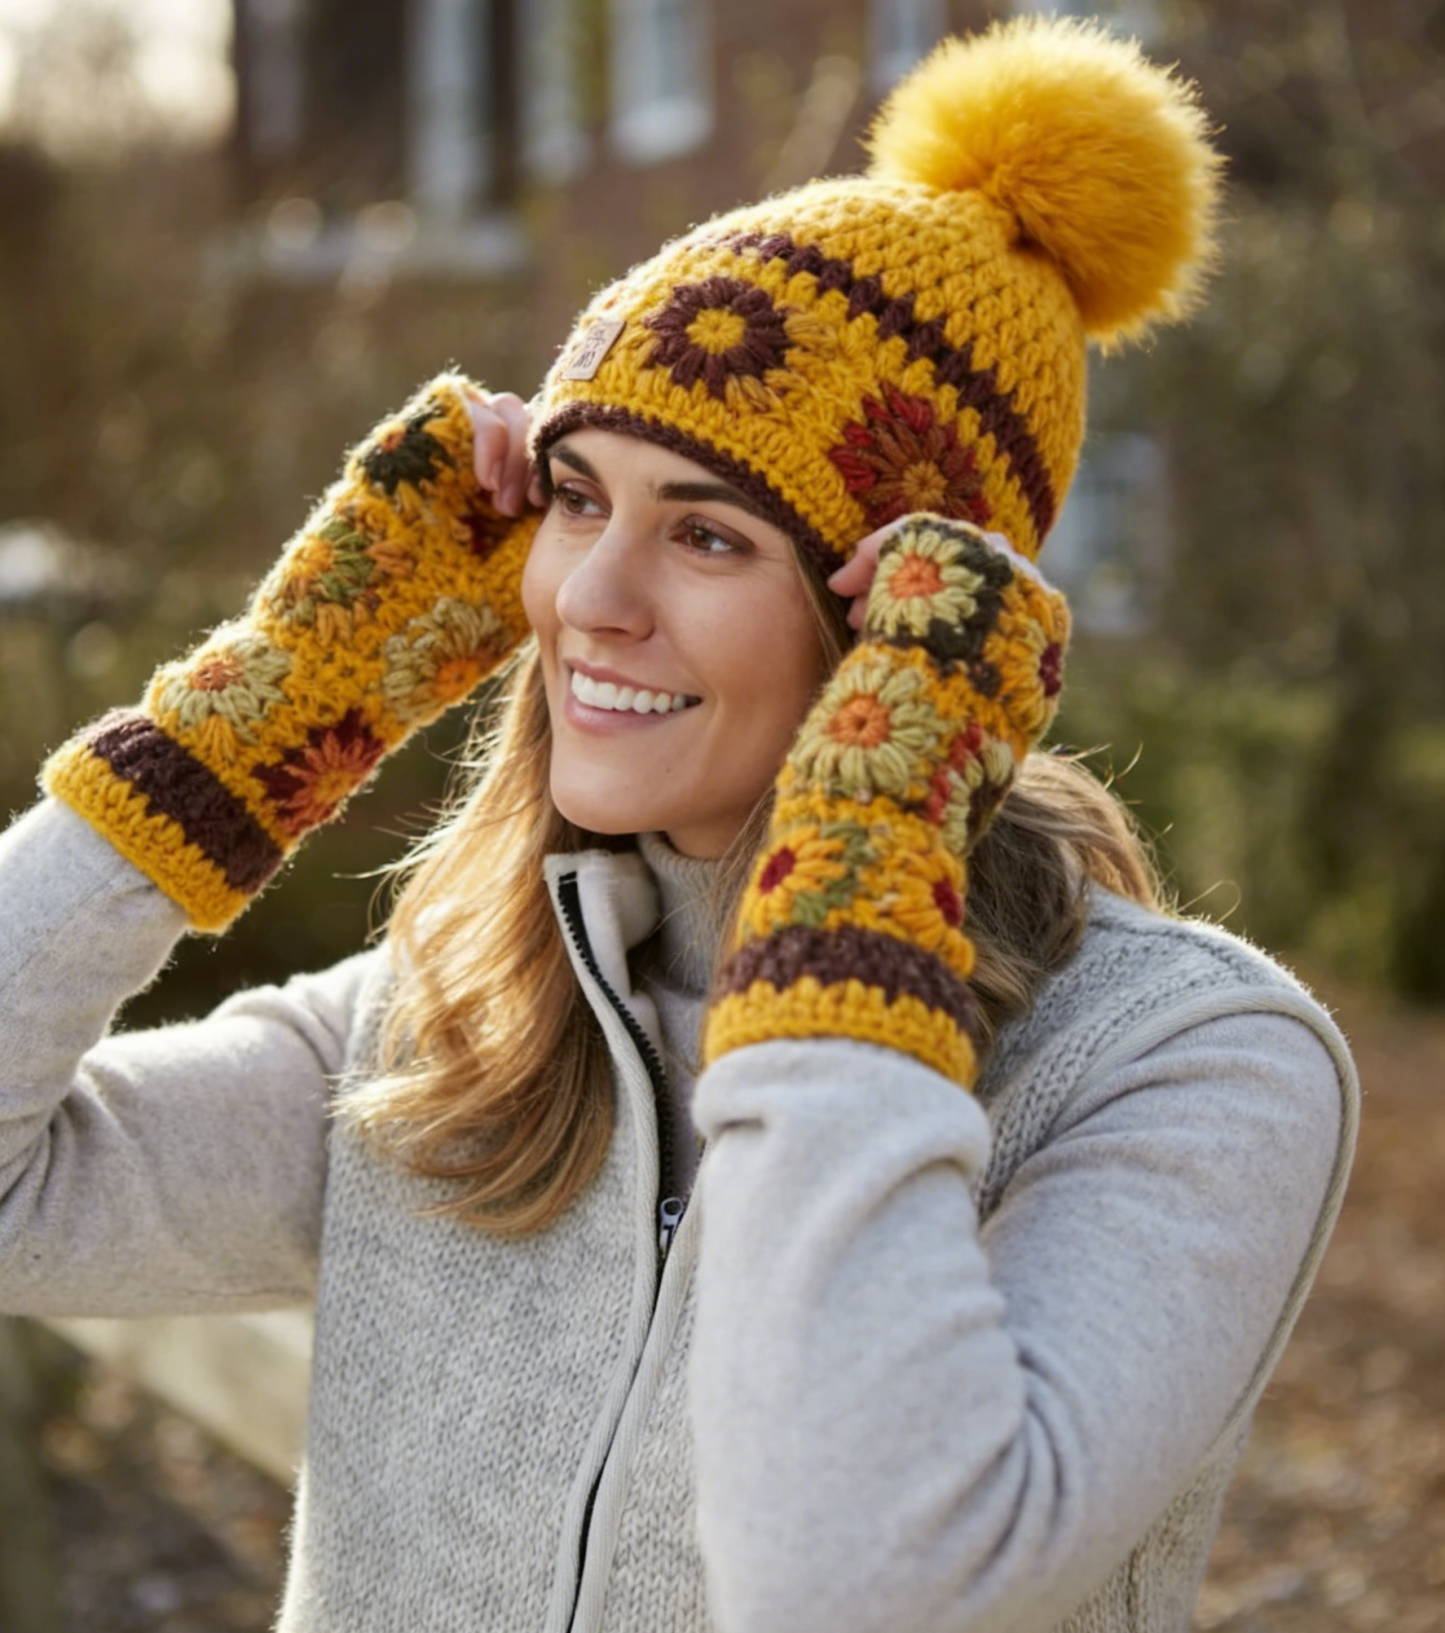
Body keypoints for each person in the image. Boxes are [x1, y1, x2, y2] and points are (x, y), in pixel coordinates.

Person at [0, 18, 1357, 1633]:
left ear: (906, 611)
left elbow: (856, 1583)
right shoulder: (451, 1027)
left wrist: (862, 854)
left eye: (708, 536)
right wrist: (266, 708)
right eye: (577, 499)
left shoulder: (1190, 1066)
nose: (591, 599)